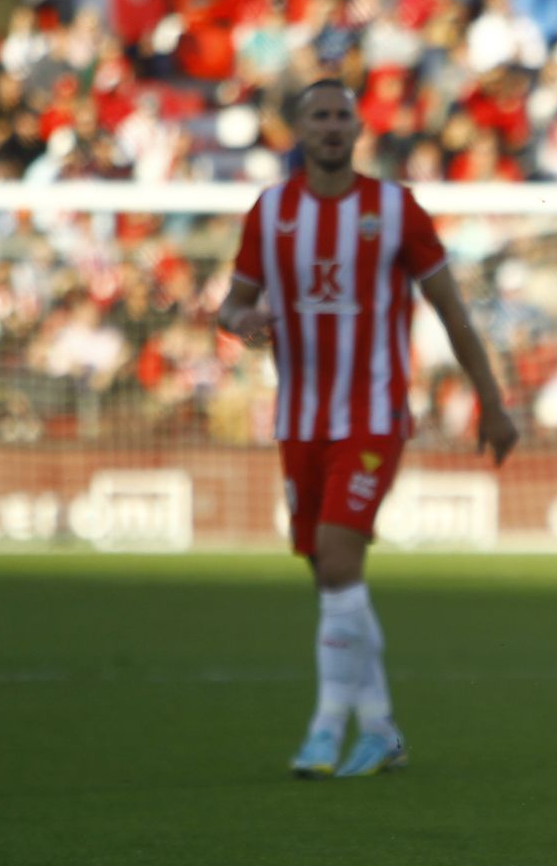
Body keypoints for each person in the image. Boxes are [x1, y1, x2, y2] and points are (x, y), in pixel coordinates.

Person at [217, 80, 517, 779]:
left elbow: (451, 311)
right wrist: (243, 324)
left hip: (373, 414)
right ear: (297, 127)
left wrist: (492, 402)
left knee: (340, 559)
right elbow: (230, 307)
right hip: (299, 419)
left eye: (341, 116)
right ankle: (380, 727)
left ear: (358, 129)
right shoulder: (270, 213)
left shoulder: (394, 208)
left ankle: (326, 727)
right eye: (317, 114)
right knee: (330, 572)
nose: (329, 126)